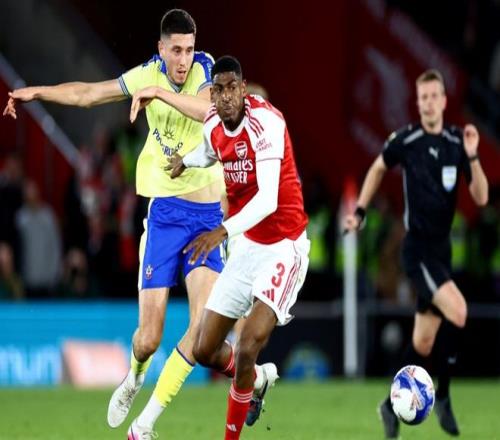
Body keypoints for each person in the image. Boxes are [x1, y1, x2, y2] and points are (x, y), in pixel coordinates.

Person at [3, 9, 270, 440]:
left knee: (202, 335)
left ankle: (146, 425)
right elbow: (89, 94)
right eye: (176, 50)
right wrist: (37, 91)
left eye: (189, 49)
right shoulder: (147, 73)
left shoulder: (205, 70)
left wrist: (158, 94)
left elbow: (207, 109)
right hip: (164, 216)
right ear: (161, 49)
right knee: (148, 339)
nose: (183, 59)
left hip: (205, 219)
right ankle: (137, 377)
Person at [150, 55, 309, 440]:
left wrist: (221, 231)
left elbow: (268, 199)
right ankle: (256, 380)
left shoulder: (267, 123)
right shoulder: (212, 123)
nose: (223, 96)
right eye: (217, 90)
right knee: (205, 349)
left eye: (230, 88)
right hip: (249, 246)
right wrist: (185, 163)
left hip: (283, 246)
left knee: (249, 340)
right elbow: (210, 151)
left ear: (242, 88)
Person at [343, 69, 489, 438]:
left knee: (423, 342)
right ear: (418, 101)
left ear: (443, 100)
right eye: (423, 97)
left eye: (434, 96)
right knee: (459, 311)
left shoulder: (457, 142)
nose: (428, 102)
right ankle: (443, 397)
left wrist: (473, 156)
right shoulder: (406, 140)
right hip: (417, 250)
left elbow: (482, 197)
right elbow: (377, 167)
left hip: (441, 253)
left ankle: (388, 405)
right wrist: (359, 211)